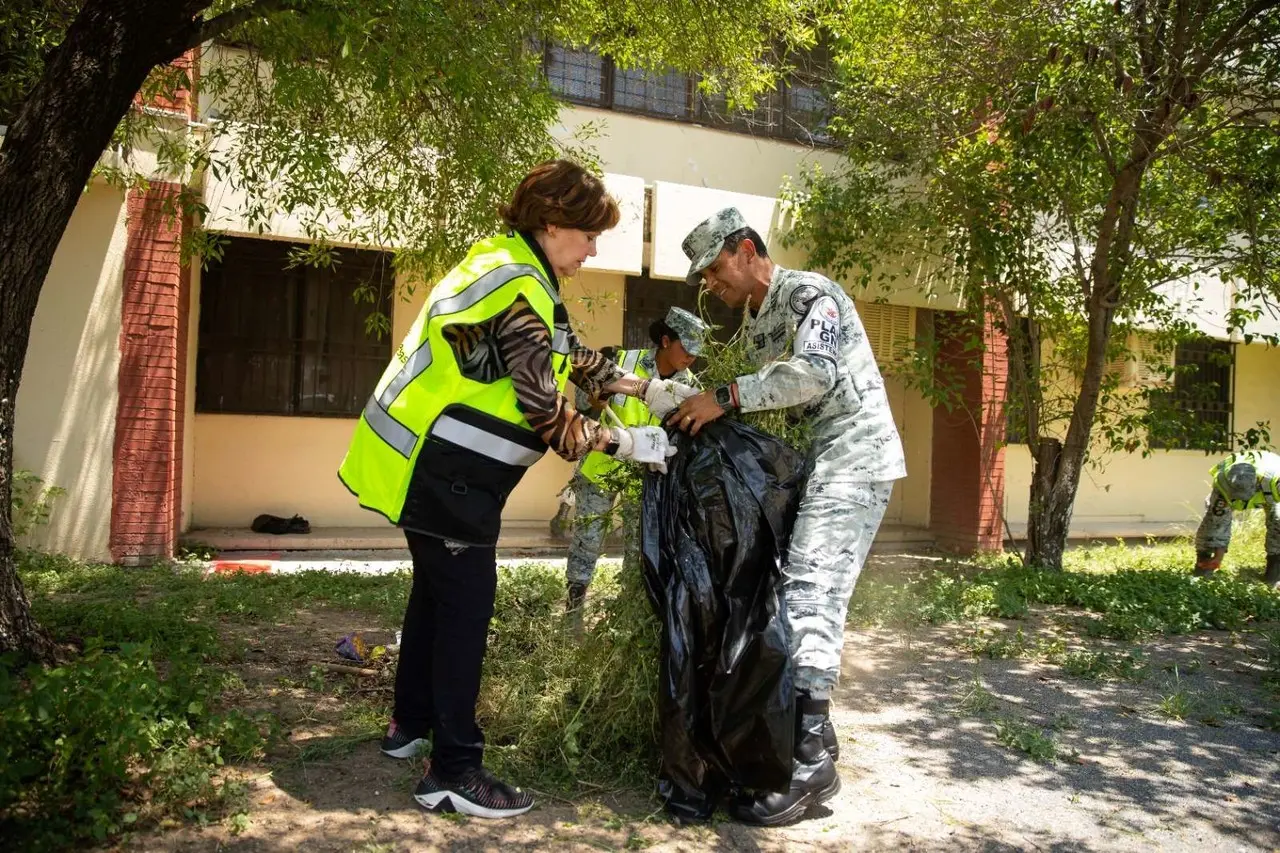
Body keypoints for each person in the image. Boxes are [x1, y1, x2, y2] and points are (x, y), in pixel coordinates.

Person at [337, 160, 688, 818]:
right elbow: (544, 409)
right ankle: (455, 770)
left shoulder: (510, 266)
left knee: (436, 599)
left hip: (425, 464)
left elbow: (567, 353)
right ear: (553, 223)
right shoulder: (519, 285)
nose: (592, 250)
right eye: (588, 236)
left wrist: (647, 388)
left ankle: (409, 726)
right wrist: (627, 442)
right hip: (445, 474)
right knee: (466, 609)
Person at [670, 207, 906, 825]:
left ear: (747, 249)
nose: (711, 286)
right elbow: (733, 387)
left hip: (854, 455)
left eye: (715, 270)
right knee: (788, 589)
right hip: (816, 463)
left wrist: (722, 398)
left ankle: (805, 764)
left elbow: (813, 375)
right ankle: (814, 736)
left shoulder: (808, 294)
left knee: (809, 594)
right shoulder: (753, 322)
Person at [566, 307, 710, 610]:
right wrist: (596, 398)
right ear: (667, 340)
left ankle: (625, 612)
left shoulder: (690, 388)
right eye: (686, 349)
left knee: (638, 548)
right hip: (600, 468)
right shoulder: (621, 361)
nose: (690, 359)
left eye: (696, 354)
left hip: (644, 477)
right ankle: (573, 608)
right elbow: (582, 404)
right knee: (587, 540)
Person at [1192, 450, 1280, 589]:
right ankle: (1204, 568)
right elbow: (1218, 522)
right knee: (1211, 525)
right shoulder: (1223, 483)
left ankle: (1275, 570)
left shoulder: (1276, 478)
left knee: (1278, 521)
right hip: (1231, 489)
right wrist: (1218, 557)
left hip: (1270, 490)